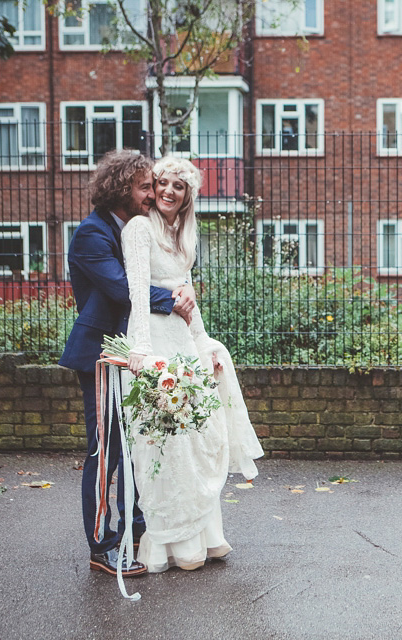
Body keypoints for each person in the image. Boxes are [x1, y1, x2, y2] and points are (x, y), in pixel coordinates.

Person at [121, 155, 263, 573]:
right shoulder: (139, 229)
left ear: (186, 198)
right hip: (157, 347)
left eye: (178, 188)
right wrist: (142, 351)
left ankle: (204, 538)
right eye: (162, 183)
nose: (168, 191)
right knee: (164, 445)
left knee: (194, 440)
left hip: (183, 345)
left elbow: (188, 303)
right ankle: (169, 546)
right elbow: (135, 293)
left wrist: (205, 346)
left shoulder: (182, 237)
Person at [60, 150, 196, 578]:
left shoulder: (135, 229)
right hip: (103, 355)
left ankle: (136, 534)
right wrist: (173, 300)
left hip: (137, 353)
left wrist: (182, 291)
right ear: (122, 189)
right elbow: (124, 290)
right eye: (144, 186)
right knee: (106, 453)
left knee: (141, 445)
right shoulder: (92, 234)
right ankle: (101, 545)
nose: (153, 193)